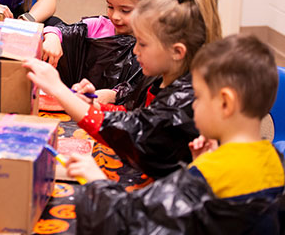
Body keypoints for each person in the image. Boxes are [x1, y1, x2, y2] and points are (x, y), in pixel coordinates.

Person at [63, 34, 285, 234]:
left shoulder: (208, 174)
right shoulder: (277, 160)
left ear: (225, 102)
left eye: (197, 96)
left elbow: (131, 222)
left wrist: (96, 180)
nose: (193, 105)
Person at [24, 0, 222, 178]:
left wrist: (59, 89)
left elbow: (131, 132)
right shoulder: (166, 79)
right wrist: (97, 106)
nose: (135, 51)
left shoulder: (185, 103)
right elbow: (137, 116)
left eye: (142, 43)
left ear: (177, 52)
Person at [42, 0, 166, 67]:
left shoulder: (153, 46)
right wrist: (53, 37)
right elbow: (62, 29)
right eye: (110, 7)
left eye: (125, 10)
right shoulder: (97, 26)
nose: (115, 16)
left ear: (149, 9)